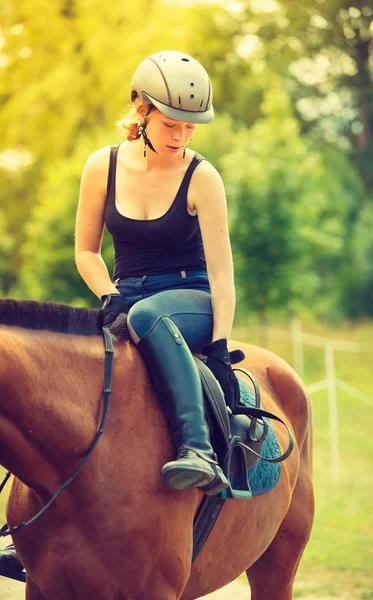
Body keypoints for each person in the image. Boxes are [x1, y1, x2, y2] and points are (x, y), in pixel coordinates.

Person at [77, 50, 239, 496]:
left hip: (192, 301)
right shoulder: (102, 166)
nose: (182, 136)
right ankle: (36, 528)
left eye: (190, 126)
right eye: (172, 124)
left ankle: (199, 450)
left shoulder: (203, 177)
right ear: (142, 110)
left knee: (148, 317)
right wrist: (110, 295)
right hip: (124, 300)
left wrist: (222, 347)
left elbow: (224, 279)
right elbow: (86, 252)